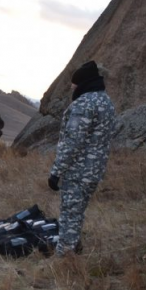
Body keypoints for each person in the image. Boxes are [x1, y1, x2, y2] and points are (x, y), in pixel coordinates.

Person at [48, 60, 116, 256]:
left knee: (69, 214)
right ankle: (75, 246)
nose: (71, 87)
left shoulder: (84, 104)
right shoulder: (106, 102)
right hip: (95, 170)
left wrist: (56, 172)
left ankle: (65, 260)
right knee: (78, 211)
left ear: (83, 83)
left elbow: (72, 142)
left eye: (74, 83)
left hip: (78, 171)